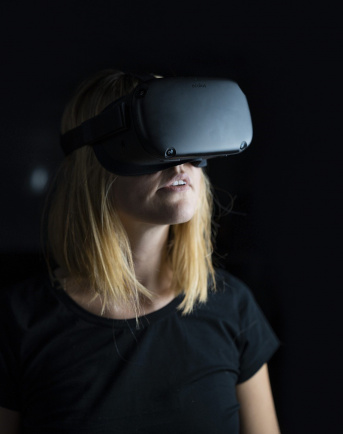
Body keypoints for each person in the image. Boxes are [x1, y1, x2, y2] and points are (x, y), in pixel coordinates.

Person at [0, 69, 281, 433]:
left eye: (186, 137)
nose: (179, 162)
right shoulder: (17, 323)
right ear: (93, 163)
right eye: (153, 139)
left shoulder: (234, 309)